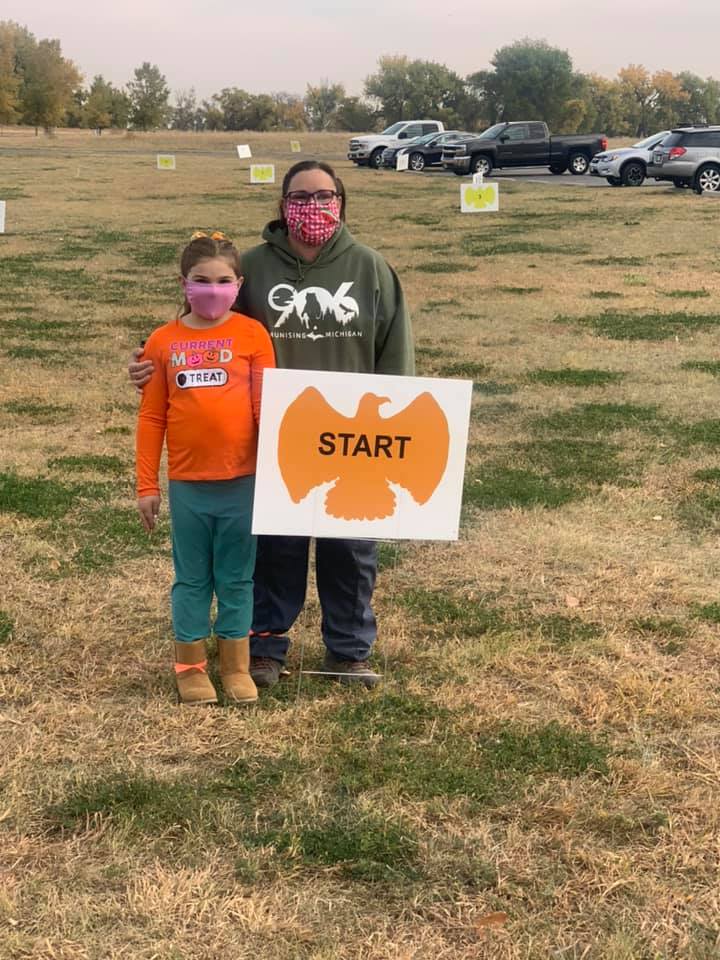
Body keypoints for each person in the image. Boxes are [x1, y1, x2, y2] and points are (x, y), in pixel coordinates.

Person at [130, 161, 414, 690]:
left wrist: (399, 420)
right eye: (300, 197)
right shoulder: (255, 267)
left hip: (352, 435)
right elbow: (199, 326)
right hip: (277, 433)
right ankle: (264, 645)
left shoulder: (371, 268)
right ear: (283, 205)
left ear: (341, 200)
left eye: (324, 195)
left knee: (351, 547)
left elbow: (395, 353)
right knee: (277, 545)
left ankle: (349, 650)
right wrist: (149, 363)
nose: (313, 206)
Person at [136, 231, 275, 705]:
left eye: (222, 281)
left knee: (237, 578)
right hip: (189, 486)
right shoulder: (163, 341)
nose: (212, 290)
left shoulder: (253, 335)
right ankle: (190, 666)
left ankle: (235, 665)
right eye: (201, 280)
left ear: (238, 285)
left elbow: (266, 407)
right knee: (192, 579)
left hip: (243, 482)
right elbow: (152, 417)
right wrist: (146, 484)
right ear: (184, 283)